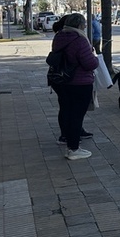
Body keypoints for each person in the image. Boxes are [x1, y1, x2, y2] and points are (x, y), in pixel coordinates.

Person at [50, 13, 98, 160]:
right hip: (79, 82)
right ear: (79, 25)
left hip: (62, 81)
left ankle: (67, 139)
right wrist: (94, 58)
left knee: (67, 111)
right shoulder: (80, 40)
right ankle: (73, 148)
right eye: (84, 24)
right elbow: (90, 63)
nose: (85, 27)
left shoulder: (59, 37)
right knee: (77, 115)